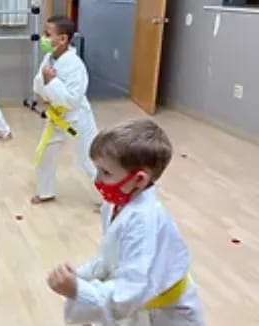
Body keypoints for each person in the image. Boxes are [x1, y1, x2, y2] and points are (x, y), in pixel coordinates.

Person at [46, 119, 205, 326]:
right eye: (97, 170)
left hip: (168, 316)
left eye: (106, 173)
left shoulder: (143, 221)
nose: (97, 180)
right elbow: (109, 257)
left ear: (139, 180)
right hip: (140, 307)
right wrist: (80, 276)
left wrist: (80, 290)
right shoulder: (115, 204)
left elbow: (130, 291)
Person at [31, 15, 99, 205]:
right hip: (56, 117)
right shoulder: (49, 58)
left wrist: (52, 82)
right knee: (45, 154)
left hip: (76, 118)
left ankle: (110, 200)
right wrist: (47, 83)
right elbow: (38, 87)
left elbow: (71, 99)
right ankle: (46, 192)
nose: (43, 38)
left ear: (63, 39)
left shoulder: (75, 65)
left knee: (89, 158)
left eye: (47, 34)